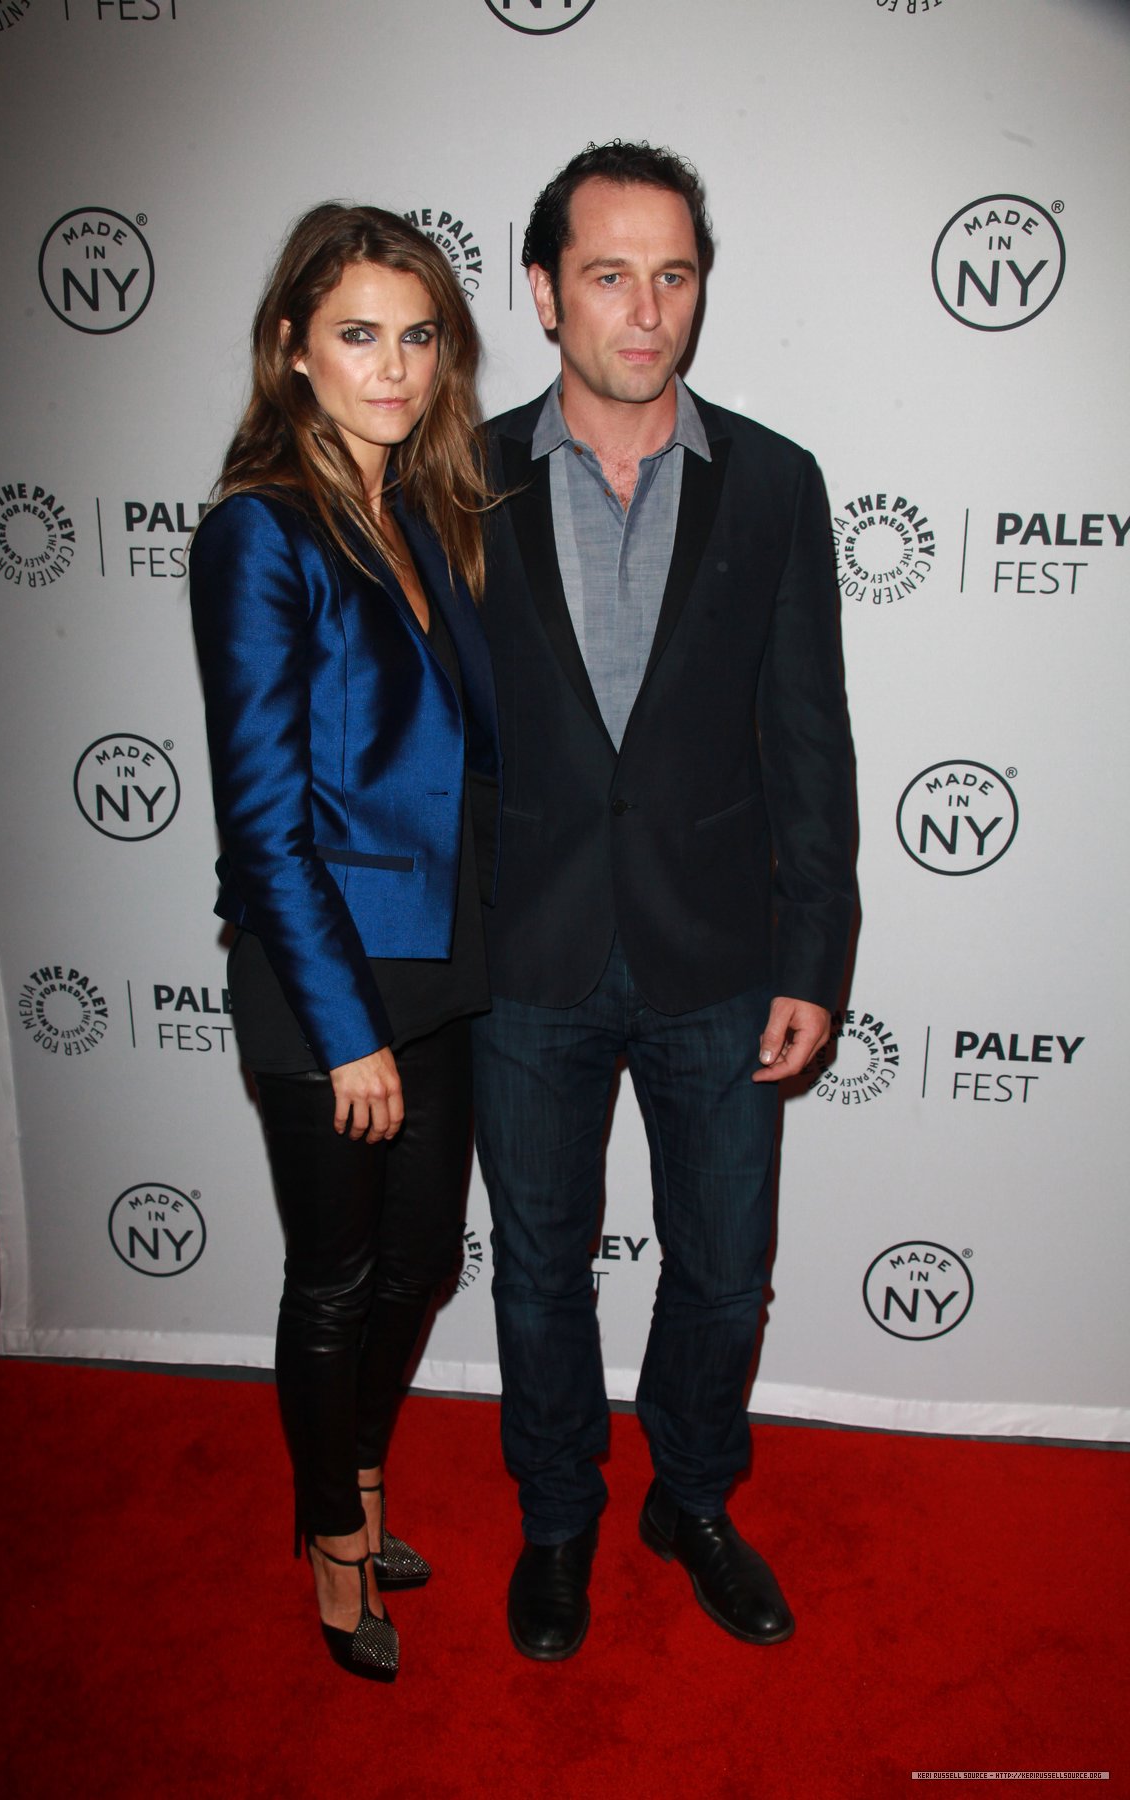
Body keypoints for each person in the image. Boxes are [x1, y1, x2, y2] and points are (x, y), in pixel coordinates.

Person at [472, 142, 856, 1661]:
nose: (646, 309)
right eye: (610, 274)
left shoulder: (773, 481)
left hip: (718, 954)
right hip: (524, 955)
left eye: (674, 275)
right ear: (546, 290)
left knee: (717, 1264)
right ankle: (558, 1515)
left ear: (702, 289)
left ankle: (689, 1498)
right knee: (539, 1267)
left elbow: (808, 736)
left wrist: (816, 954)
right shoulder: (460, 475)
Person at [189, 203, 500, 1683]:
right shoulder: (258, 531)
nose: (394, 368)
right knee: (334, 1277)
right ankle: (330, 1535)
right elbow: (262, 817)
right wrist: (343, 1028)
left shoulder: (430, 514)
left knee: (422, 1262)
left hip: (439, 956)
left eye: (419, 336)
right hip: (323, 972)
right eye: (359, 336)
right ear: (293, 352)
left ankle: (367, 1475)